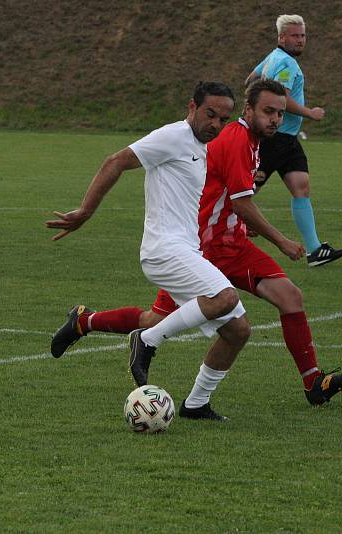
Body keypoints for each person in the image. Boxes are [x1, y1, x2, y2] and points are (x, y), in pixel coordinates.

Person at [51, 80, 342, 406]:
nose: (276, 120)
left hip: (215, 245)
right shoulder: (202, 138)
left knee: (254, 319)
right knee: (180, 313)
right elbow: (118, 162)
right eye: (268, 112)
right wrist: (85, 212)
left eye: (281, 114)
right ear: (246, 110)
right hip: (196, 249)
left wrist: (236, 223)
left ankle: (294, 385)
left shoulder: (220, 143)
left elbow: (217, 196)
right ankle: (124, 334)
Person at [46, 82, 250, 421]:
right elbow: (116, 161)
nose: (215, 124)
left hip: (186, 251)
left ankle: (196, 405)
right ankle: (148, 340)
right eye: (210, 114)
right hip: (164, 251)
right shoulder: (173, 136)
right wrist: (85, 211)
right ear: (191, 107)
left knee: (238, 331)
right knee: (224, 298)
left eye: (223, 119)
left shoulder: (201, 148)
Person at [243, 14, 342, 267]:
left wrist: (254, 102)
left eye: (302, 35)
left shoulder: (273, 57)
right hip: (274, 137)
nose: (300, 40)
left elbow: (250, 81)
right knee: (246, 190)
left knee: (301, 187)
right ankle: (217, 229)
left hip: (287, 139)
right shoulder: (286, 63)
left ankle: (314, 251)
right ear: (282, 37)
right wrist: (309, 112)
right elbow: (283, 100)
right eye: (295, 36)